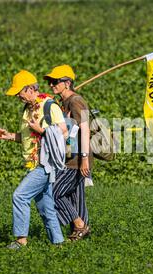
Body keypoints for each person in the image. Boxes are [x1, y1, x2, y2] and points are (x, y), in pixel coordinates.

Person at [0, 70, 68, 249]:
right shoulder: (27, 109)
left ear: (31, 89)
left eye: (20, 91)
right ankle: (58, 244)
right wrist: (8, 136)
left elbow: (63, 131)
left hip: (44, 164)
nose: (18, 95)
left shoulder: (50, 106)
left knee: (20, 196)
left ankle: (20, 241)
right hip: (32, 164)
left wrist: (41, 130)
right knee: (46, 207)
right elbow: (26, 137)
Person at [43, 65, 93, 241]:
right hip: (70, 157)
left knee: (54, 192)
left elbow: (85, 129)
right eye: (50, 82)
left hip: (77, 158)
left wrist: (85, 159)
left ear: (67, 83)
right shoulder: (64, 103)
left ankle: (79, 225)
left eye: (55, 81)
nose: (51, 85)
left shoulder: (76, 101)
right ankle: (82, 233)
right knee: (76, 196)